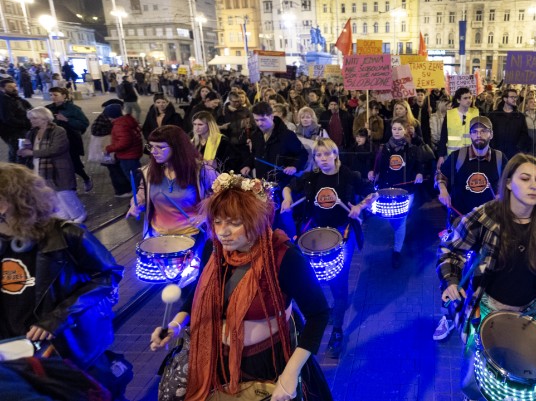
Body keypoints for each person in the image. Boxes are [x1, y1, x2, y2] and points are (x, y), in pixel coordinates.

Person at [150, 173, 332, 401]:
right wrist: (176, 325)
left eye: (235, 223)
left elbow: (319, 313)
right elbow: (199, 293)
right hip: (218, 358)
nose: (223, 231)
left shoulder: (284, 257)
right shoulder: (213, 249)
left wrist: (290, 373)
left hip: (271, 360)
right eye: (217, 221)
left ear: (257, 220)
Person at [437, 154, 536, 400]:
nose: (534, 185)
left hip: (532, 311)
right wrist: (450, 281)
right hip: (487, 308)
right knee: (476, 377)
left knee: (526, 377)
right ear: (509, 183)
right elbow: (450, 249)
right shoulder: (485, 216)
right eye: (525, 178)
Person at [0, 163, 126, 397]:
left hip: (67, 344)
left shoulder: (68, 234)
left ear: (9, 202)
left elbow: (108, 275)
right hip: (15, 348)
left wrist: (57, 318)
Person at [281, 139, 371, 359]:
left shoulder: (348, 175)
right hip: (317, 233)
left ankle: (338, 331)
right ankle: (326, 311)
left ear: (335, 154)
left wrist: (360, 206)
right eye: (318, 156)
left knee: (339, 281)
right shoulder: (312, 177)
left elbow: (372, 192)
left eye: (326, 155)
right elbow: (288, 185)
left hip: (342, 234)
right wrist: (287, 198)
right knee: (316, 277)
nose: (322, 159)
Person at [433, 115, 506, 341]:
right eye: (475, 131)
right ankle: (447, 316)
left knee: (485, 274)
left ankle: (479, 315)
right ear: (470, 135)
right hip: (460, 223)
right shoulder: (459, 157)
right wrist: (443, 190)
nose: (479, 135)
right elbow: (440, 176)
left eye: (484, 131)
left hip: (490, 226)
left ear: (491, 135)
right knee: (452, 272)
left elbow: (510, 185)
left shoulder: (501, 159)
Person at [127, 125, 217, 240]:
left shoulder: (201, 170)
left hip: (193, 235)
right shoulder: (148, 172)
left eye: (160, 147)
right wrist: (136, 204)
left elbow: (219, 194)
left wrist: (205, 215)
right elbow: (143, 193)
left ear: (177, 147)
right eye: (151, 147)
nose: (153, 152)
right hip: (157, 235)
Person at [370, 117, 424, 267]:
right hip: (387, 188)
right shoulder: (384, 149)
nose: (397, 132)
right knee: (392, 218)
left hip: (407, 190)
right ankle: (399, 236)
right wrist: (372, 173)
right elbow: (377, 166)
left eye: (400, 129)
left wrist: (419, 173)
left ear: (406, 130)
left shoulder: (412, 148)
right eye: (394, 129)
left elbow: (420, 165)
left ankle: (397, 251)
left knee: (401, 218)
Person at [18, 107, 87, 223]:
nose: (32, 121)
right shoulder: (32, 132)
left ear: (45, 118)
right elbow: (32, 149)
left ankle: (78, 214)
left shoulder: (58, 131)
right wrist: (24, 150)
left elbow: (56, 149)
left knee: (64, 193)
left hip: (58, 168)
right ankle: (63, 216)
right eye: (30, 119)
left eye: (35, 118)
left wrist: (32, 152)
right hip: (39, 168)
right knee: (51, 194)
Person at [243, 102, 309, 184]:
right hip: (261, 182)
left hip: (282, 183)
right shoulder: (255, 135)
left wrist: (294, 166)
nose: (259, 123)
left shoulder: (287, 135)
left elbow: (302, 154)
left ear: (271, 116)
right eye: (257, 120)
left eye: (263, 119)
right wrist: (248, 165)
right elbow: (255, 154)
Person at [46, 87, 92, 192]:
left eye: (55, 95)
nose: (53, 97)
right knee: (60, 166)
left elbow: (84, 123)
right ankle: (71, 188)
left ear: (64, 96)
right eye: (51, 95)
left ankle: (86, 178)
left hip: (71, 140)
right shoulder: (48, 109)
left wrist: (67, 120)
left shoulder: (73, 109)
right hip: (54, 142)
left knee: (74, 164)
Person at [103, 104, 144, 197]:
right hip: (133, 154)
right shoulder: (126, 121)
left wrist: (109, 148)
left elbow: (124, 142)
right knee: (136, 176)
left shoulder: (119, 125)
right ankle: (141, 195)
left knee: (134, 178)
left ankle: (141, 198)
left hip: (128, 156)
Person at [436, 88, 479, 168]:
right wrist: (441, 156)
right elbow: (444, 136)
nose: (469, 100)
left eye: (470, 97)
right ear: (458, 100)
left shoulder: (476, 113)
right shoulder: (450, 114)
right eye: (465, 98)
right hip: (453, 155)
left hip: (472, 154)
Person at [487, 88, 531, 162]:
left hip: (514, 154)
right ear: (505, 99)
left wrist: (518, 148)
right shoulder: (494, 115)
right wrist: (493, 147)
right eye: (512, 97)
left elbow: (524, 134)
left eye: (515, 97)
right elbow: (489, 132)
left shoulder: (519, 116)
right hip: (497, 153)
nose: (514, 99)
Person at [0, 77, 32, 163]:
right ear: (2, 88)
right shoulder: (3, 101)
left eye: (15, 86)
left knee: (17, 151)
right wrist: (26, 123)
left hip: (19, 129)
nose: (14, 89)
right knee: (18, 152)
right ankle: (15, 172)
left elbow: (26, 105)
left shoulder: (13, 97)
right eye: (10, 87)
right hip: (12, 132)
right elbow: (8, 119)